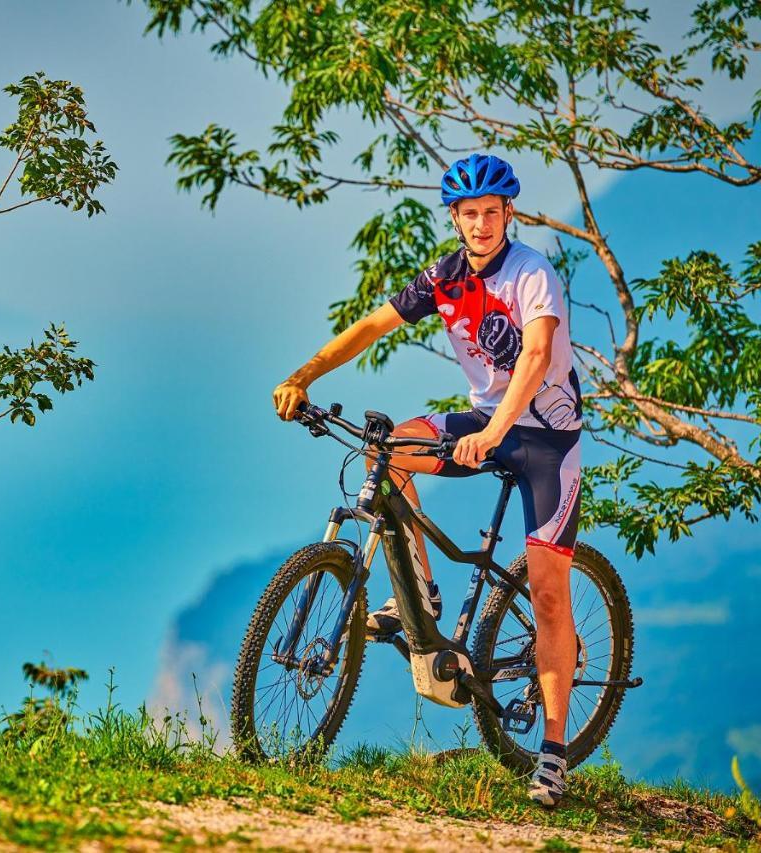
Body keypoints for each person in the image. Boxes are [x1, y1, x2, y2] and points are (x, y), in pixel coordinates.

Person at [271, 153, 582, 808]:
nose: (480, 224)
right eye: (469, 214)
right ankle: (424, 598)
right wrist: (303, 376)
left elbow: (533, 355)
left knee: (550, 592)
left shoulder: (532, 274)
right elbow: (370, 326)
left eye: (491, 213)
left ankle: (552, 752)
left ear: (509, 214)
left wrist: (495, 432)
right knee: (385, 452)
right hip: (483, 422)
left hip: (545, 439)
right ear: (456, 219)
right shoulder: (444, 277)